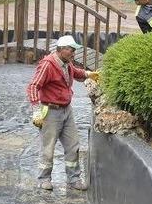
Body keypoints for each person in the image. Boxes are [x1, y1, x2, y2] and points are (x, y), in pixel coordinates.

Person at [26, 36, 100, 191]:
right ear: (61, 50)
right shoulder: (48, 65)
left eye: (74, 50)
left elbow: (75, 73)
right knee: (48, 148)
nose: (73, 53)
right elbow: (33, 86)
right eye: (71, 50)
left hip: (66, 110)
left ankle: (73, 180)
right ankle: (44, 179)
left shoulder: (66, 63)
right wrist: (36, 110)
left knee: (73, 145)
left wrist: (88, 74)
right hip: (50, 112)